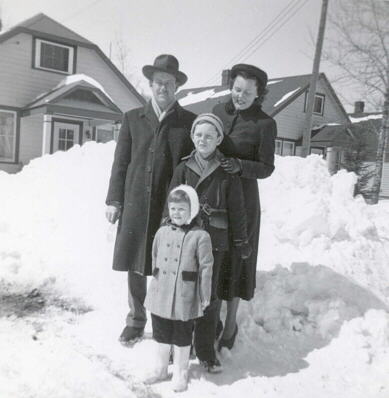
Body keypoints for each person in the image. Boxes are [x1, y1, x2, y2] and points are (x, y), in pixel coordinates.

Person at [105, 54, 196, 345]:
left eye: (169, 83)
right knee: (134, 262)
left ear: (176, 86)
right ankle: (135, 320)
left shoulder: (187, 123)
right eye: (158, 83)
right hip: (134, 202)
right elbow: (120, 163)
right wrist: (114, 200)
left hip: (169, 206)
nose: (163, 88)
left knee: (165, 264)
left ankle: (163, 321)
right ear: (150, 84)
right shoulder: (133, 118)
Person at [169, 113, 250, 372]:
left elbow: (237, 209)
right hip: (186, 240)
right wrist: (168, 229)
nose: (203, 139)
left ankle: (205, 352)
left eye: (209, 135)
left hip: (215, 243)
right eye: (198, 135)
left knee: (209, 297)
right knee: (183, 294)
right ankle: (180, 346)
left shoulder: (226, 171)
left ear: (218, 139)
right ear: (192, 137)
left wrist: (240, 239)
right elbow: (170, 203)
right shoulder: (183, 168)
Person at [212, 63, 277, 351]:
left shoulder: (265, 124)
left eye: (248, 92)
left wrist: (240, 166)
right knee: (212, 259)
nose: (240, 96)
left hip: (244, 199)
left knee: (237, 261)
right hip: (213, 197)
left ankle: (230, 325)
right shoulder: (217, 111)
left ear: (258, 94)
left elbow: (267, 167)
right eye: (237, 89)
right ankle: (210, 319)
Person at [144, 185, 213, 392]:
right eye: (173, 208)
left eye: (182, 209)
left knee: (182, 336)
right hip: (161, 292)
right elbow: (155, 257)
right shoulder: (162, 232)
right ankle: (161, 368)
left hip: (184, 295)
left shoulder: (200, 236)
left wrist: (204, 295)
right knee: (161, 333)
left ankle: (181, 372)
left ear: (192, 210)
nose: (176, 213)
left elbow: (206, 268)